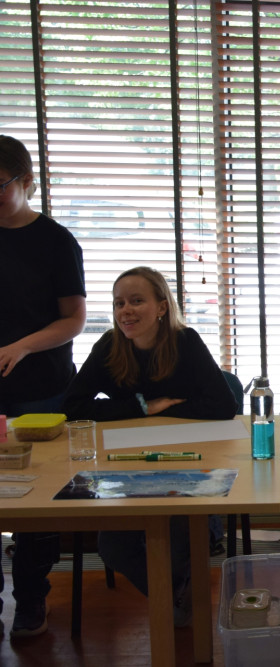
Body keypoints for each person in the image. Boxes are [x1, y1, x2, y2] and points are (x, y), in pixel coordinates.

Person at [62, 265, 238, 627]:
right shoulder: (109, 346)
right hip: (126, 468)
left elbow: (223, 405)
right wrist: (143, 407)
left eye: (136, 301)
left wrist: (165, 410)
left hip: (190, 465)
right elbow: (73, 407)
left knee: (181, 538)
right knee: (113, 547)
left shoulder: (185, 342)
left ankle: (177, 598)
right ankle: (176, 596)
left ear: (161, 307)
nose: (126, 310)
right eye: (119, 303)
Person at [0, 134, 87, 639]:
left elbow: (74, 319)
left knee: (39, 499)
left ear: (26, 181)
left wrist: (23, 346)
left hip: (42, 387)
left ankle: (31, 599)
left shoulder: (55, 241)